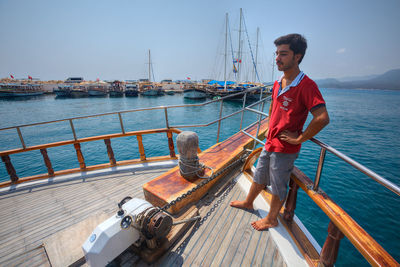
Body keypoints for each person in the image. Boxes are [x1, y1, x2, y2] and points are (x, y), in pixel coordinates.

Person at [230, 33, 330, 231]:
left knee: (278, 183)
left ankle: (272, 218)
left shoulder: (307, 85)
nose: (277, 58)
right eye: (277, 53)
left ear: (298, 56)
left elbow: (322, 117)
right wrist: (269, 130)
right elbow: (273, 109)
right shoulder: (278, 83)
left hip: (285, 147)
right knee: (259, 173)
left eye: (283, 54)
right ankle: (249, 202)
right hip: (270, 141)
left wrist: (300, 138)